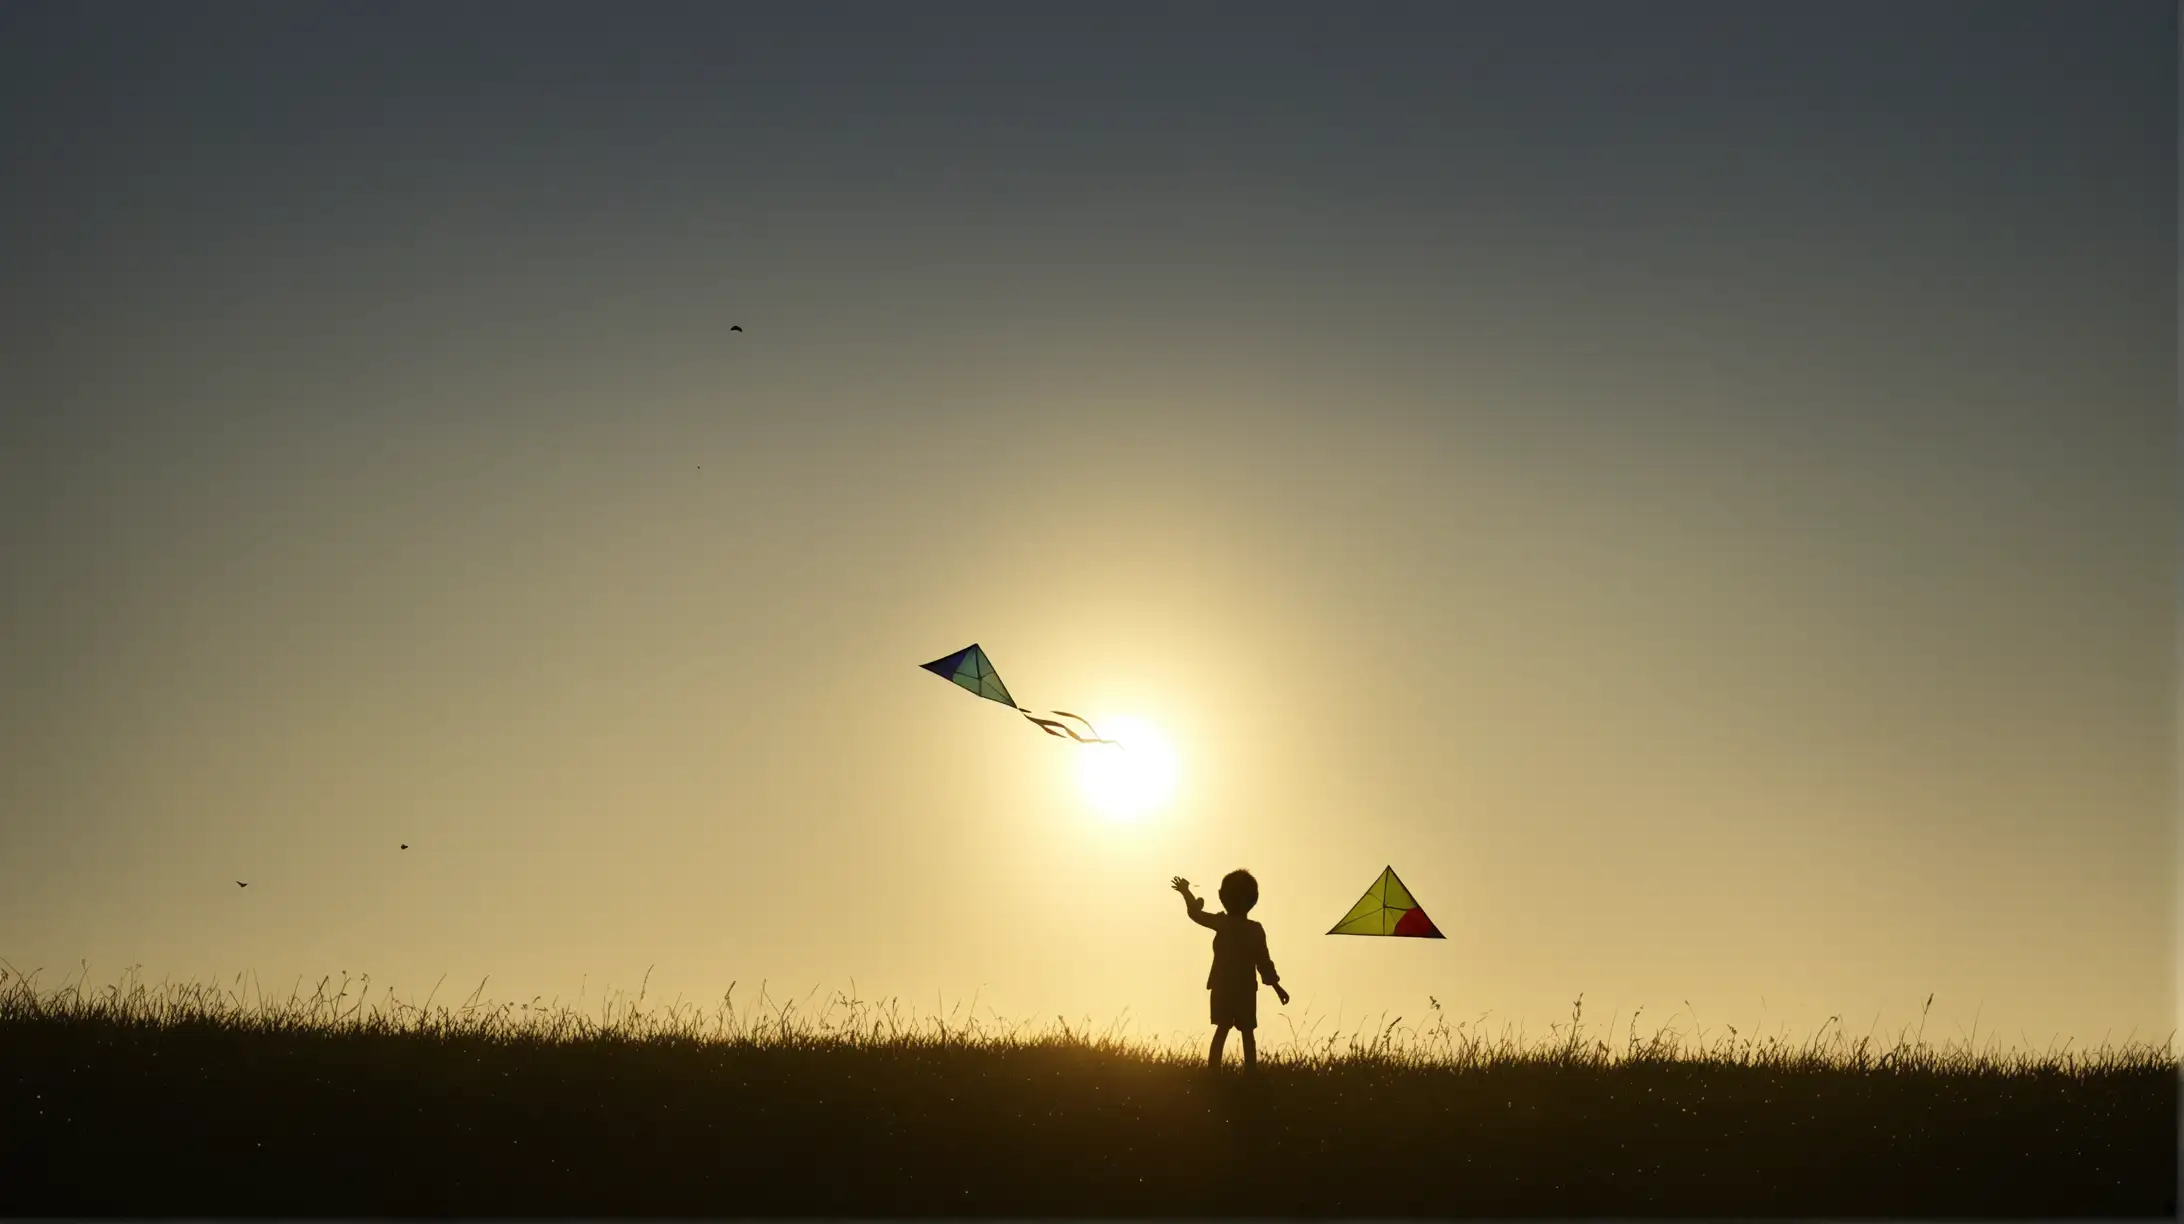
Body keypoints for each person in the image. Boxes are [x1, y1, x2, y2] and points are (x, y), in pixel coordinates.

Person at [1171, 870, 1288, 1070]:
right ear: (1253, 899)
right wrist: (1277, 987)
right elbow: (1264, 962)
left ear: (1223, 897)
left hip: (1226, 986)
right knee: (1246, 1033)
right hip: (1244, 988)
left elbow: (1195, 914)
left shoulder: (1224, 923)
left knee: (1224, 1030)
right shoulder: (1254, 929)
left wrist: (1186, 893)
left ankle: (1215, 1073)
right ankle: (1248, 1075)